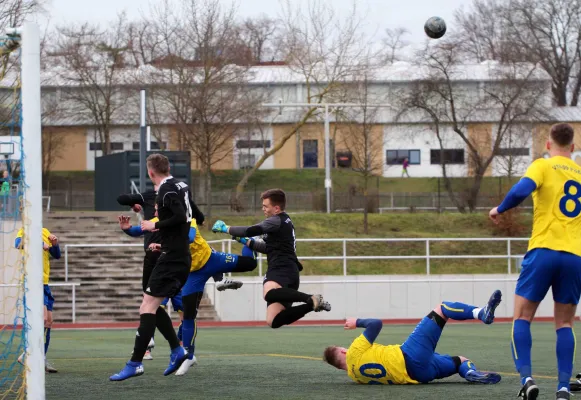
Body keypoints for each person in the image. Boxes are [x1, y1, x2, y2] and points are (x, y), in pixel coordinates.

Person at [489, 123, 581, 400]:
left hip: (543, 251)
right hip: (574, 256)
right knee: (565, 324)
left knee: (522, 317)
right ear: (573, 148)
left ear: (548, 144)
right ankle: (564, 388)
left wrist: (499, 209)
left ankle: (527, 380)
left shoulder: (543, 165)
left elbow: (521, 190)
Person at [119, 212, 257, 375]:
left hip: (211, 259)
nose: (156, 212)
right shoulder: (159, 220)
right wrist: (127, 228)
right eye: (156, 208)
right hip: (194, 273)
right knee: (188, 314)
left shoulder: (187, 219)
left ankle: (248, 241)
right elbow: (137, 230)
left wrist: (159, 230)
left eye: (159, 207)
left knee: (251, 264)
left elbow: (189, 238)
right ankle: (189, 355)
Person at [110, 153, 193, 381]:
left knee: (146, 308)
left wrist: (154, 223)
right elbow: (195, 215)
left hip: (173, 258)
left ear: (150, 172)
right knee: (151, 306)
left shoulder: (166, 190)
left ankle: (136, 362)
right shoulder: (182, 185)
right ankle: (177, 350)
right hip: (172, 254)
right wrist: (163, 236)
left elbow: (179, 217)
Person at [323, 290, 503, 386]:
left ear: (340, 368)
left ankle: (471, 373)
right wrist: (357, 322)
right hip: (410, 355)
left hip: (420, 376)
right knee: (442, 308)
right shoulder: (354, 350)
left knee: (460, 361)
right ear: (342, 351)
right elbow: (376, 324)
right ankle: (481, 313)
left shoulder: (355, 377)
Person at [212, 188, 331, 329]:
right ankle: (312, 304)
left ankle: (309, 298)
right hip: (289, 270)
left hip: (281, 268)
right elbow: (269, 248)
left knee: (268, 294)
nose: (263, 209)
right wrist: (247, 242)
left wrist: (226, 228)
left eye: (265, 206)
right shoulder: (282, 222)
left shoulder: (276, 220)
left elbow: (250, 230)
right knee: (273, 320)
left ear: (276, 208)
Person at [15, 227, 61, 373]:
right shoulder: (24, 229)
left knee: (48, 322)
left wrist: (55, 244)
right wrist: (40, 244)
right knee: (42, 319)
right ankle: (29, 354)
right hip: (32, 282)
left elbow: (56, 255)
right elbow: (18, 244)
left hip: (45, 283)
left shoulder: (46, 231)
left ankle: (41, 357)